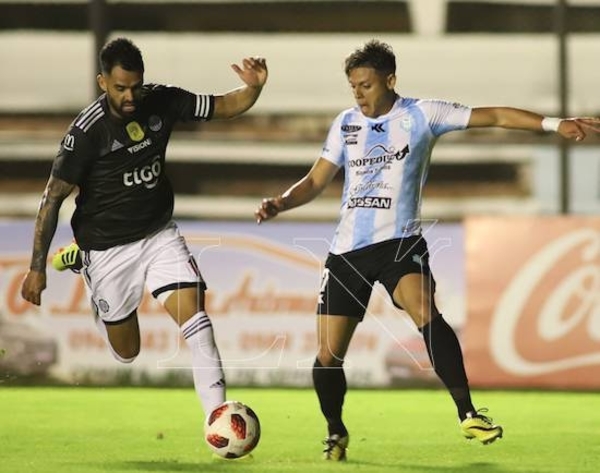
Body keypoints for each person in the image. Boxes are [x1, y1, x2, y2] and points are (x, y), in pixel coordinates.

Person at [254, 39, 600, 461]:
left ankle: (468, 413)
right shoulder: (345, 123)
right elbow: (315, 180)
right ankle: (335, 431)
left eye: (365, 84)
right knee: (328, 354)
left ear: (390, 80)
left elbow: (492, 116)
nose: (358, 94)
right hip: (346, 253)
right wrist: (281, 202)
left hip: (400, 242)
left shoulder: (423, 114)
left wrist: (552, 123)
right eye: (353, 86)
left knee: (424, 311)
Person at [21, 37, 268, 420]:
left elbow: (224, 106)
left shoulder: (161, 100)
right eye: (120, 88)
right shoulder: (86, 134)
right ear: (102, 82)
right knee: (127, 352)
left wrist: (253, 87)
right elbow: (52, 198)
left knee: (198, 322)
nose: (130, 96)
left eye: (135, 86)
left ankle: (219, 421)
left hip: (158, 235)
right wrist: (37, 267)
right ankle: (82, 263)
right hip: (105, 249)